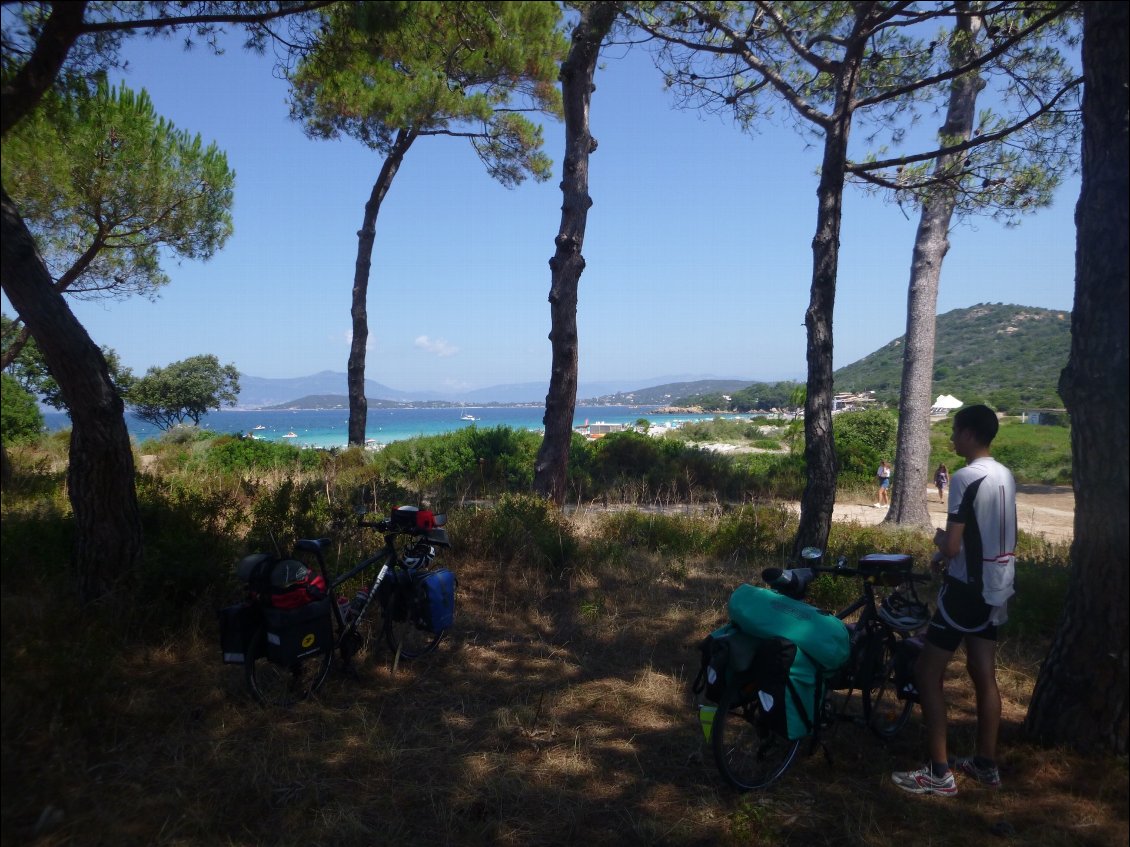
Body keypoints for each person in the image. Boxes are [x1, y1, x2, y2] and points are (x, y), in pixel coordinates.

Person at [892, 405, 1016, 797]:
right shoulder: (1004, 474)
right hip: (998, 585)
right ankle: (985, 763)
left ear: (969, 434)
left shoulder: (965, 477)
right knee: (984, 673)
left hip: (966, 591)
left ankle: (938, 772)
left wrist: (937, 544)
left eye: (955, 430)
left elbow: (954, 544)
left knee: (927, 673)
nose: (951, 437)